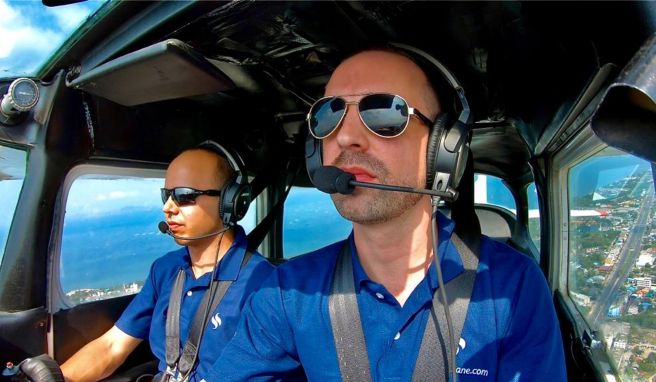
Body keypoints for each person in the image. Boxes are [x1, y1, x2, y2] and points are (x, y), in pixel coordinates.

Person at [208, 48, 567, 381]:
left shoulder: (512, 287)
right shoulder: (287, 291)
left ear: (444, 148)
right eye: (328, 115)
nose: (346, 137)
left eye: (383, 113)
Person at [60, 143, 275, 382]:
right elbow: (112, 346)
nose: (167, 208)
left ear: (230, 202)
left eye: (184, 196)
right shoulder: (165, 270)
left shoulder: (263, 284)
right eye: (167, 195)